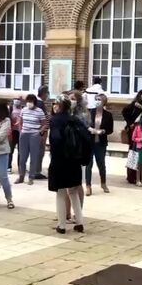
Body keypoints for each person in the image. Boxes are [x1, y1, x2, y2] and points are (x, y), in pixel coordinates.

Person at [49, 95, 91, 234]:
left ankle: (61, 225)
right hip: (74, 161)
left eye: (55, 103)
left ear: (60, 105)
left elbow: (55, 140)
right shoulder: (75, 119)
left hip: (60, 160)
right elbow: (86, 138)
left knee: (60, 192)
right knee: (73, 191)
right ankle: (79, 223)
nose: (54, 106)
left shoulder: (55, 120)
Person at [17, 94, 47, 185]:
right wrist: (21, 130)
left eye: (31, 101)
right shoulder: (24, 110)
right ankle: (21, 176)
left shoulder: (39, 111)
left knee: (33, 157)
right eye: (28, 101)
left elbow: (44, 124)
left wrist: (39, 132)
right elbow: (20, 122)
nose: (29, 103)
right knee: (22, 157)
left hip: (34, 135)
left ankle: (31, 177)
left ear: (34, 102)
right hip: (24, 135)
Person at [122, 89, 142, 184]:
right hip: (134, 131)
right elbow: (124, 112)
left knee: (141, 156)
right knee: (133, 153)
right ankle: (131, 176)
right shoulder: (134, 104)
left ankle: (140, 176)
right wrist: (129, 123)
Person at [86, 93, 113, 196]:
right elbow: (85, 124)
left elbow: (110, 130)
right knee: (88, 165)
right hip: (90, 142)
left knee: (101, 164)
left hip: (100, 143)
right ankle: (88, 186)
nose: (97, 101)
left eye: (99, 100)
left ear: (104, 102)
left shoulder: (108, 115)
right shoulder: (89, 112)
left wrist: (103, 131)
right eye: (96, 99)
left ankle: (103, 183)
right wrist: (90, 129)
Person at [34, 85, 50, 180]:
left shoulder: (37, 103)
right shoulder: (40, 104)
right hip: (40, 132)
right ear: (44, 93)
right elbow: (42, 119)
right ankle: (36, 171)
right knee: (39, 152)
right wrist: (43, 133)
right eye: (47, 93)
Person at [8, 98, 22, 174]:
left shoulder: (22, 109)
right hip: (13, 132)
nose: (17, 101)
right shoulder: (10, 109)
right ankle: (8, 167)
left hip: (20, 132)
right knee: (10, 150)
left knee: (21, 151)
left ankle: (20, 167)